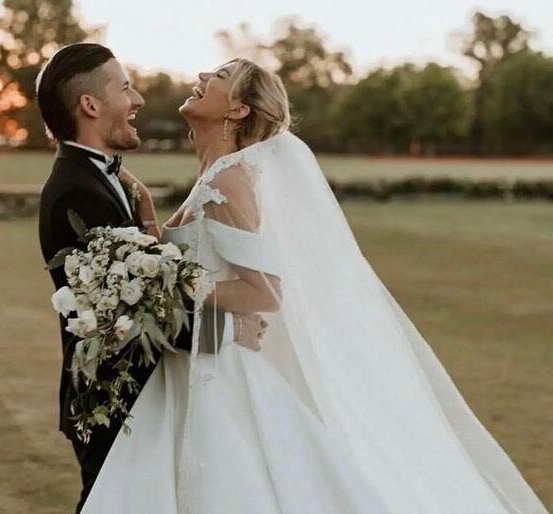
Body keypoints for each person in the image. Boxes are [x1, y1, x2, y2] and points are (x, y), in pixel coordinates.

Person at [80, 58, 548, 513]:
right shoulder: (212, 178)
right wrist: (144, 208)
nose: (202, 76)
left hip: (222, 372)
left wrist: (173, 290)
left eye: (219, 76)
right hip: (195, 359)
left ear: (239, 109)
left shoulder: (230, 180)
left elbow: (264, 292)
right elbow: (184, 255)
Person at [36, 44, 267, 514]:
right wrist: (231, 328)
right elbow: (130, 311)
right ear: (91, 106)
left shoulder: (104, 180)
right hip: (113, 399)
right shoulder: (77, 193)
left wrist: (146, 222)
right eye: (125, 88)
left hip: (147, 395)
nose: (138, 99)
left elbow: (147, 282)